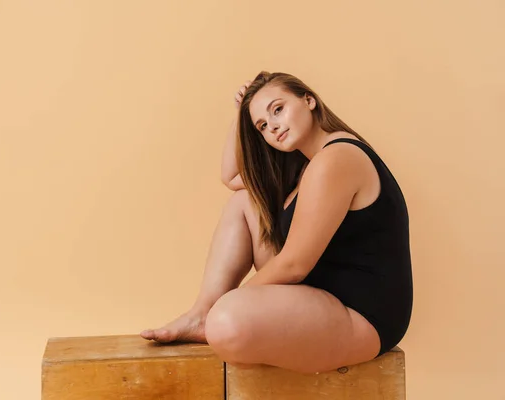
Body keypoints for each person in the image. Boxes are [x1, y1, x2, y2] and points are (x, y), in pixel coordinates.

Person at [140, 71, 413, 374]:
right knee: (245, 202)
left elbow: (295, 265)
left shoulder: (336, 158)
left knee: (227, 321)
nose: (273, 127)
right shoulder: (306, 164)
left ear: (309, 100)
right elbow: (231, 177)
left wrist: (232, 303)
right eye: (263, 125)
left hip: (362, 316)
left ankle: (209, 316)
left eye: (278, 109)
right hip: (321, 295)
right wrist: (242, 111)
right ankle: (200, 312)